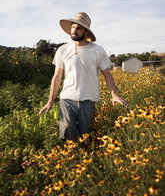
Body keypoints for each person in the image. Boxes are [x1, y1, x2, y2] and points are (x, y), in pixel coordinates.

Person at [38, 12, 128, 141]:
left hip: (88, 100)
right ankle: (70, 160)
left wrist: (114, 94)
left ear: (86, 31)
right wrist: (50, 100)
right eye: (73, 27)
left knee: (87, 138)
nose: (74, 31)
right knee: (68, 138)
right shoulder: (62, 50)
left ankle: (86, 159)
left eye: (78, 28)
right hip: (67, 99)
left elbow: (108, 75)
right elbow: (57, 77)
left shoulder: (97, 50)